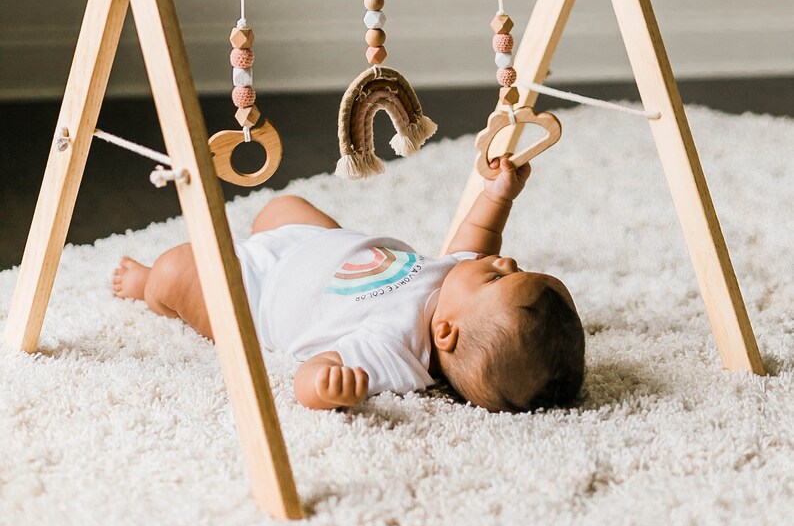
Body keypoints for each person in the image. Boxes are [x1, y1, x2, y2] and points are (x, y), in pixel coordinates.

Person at [113, 155, 584, 413]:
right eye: (515, 269)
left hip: (254, 295)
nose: (506, 259)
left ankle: (147, 285)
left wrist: (326, 387)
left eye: (498, 275)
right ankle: (267, 233)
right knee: (283, 206)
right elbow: (477, 239)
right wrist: (498, 196)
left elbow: (310, 374)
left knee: (178, 270)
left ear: (447, 333)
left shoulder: (394, 351)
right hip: (314, 241)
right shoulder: (454, 285)